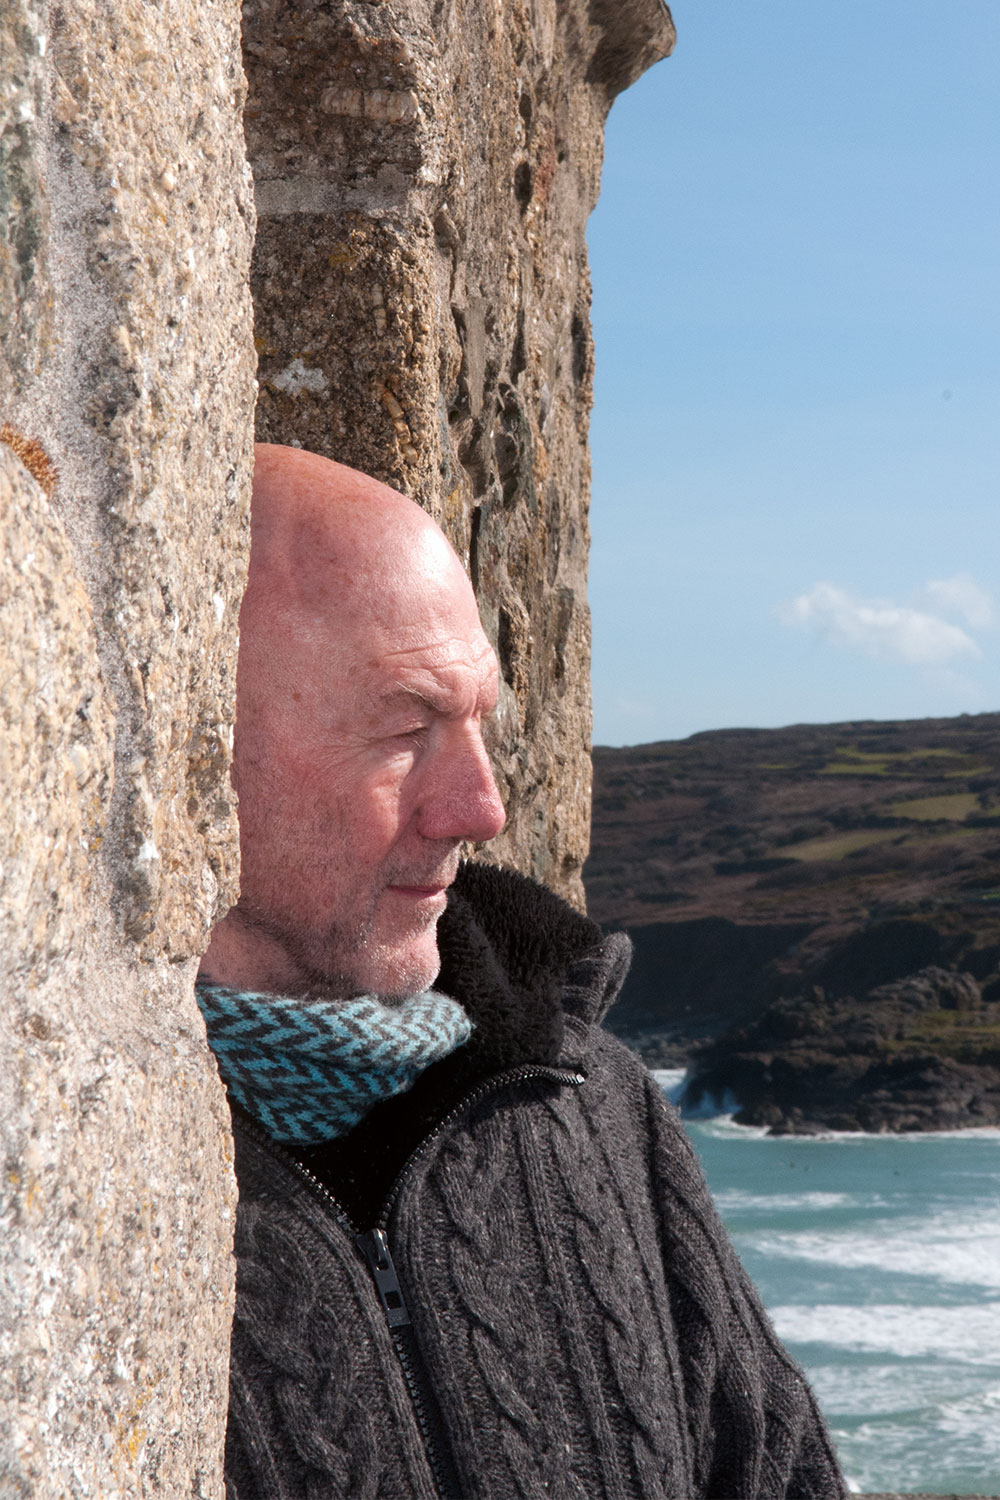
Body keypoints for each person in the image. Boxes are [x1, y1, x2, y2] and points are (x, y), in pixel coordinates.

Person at [197, 443, 847, 1500]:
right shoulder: (50, 1166)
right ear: (192, 739)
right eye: (406, 729)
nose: (482, 808)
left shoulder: (590, 1099)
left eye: (479, 723)